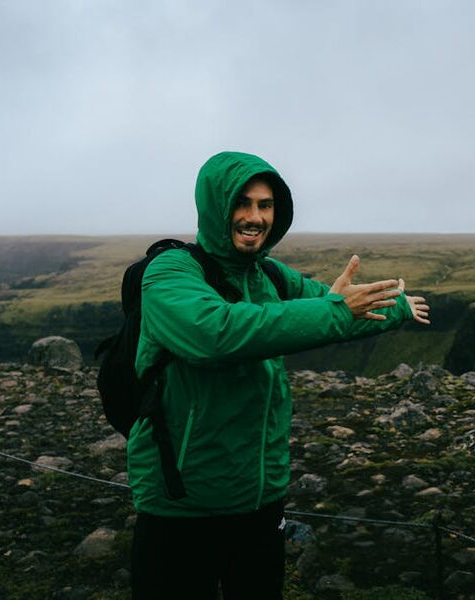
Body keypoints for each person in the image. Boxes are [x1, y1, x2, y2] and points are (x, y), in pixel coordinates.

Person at [127, 151, 429, 599]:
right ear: (215, 206)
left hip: (259, 498)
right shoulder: (170, 272)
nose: (255, 217)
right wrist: (336, 310)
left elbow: (333, 305)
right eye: (242, 204)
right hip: (183, 503)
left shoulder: (268, 274)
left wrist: (397, 308)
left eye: (265, 205)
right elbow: (218, 334)